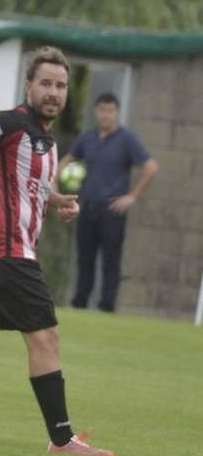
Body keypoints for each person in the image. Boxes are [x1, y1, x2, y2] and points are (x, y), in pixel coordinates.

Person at [0, 46, 115, 456]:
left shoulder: (45, 139)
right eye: (46, 83)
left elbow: (28, 186)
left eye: (61, 85)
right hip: (8, 253)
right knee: (46, 336)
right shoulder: (10, 122)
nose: (54, 92)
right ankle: (62, 440)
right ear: (29, 86)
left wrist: (57, 200)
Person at [60, 92, 159, 313]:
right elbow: (66, 161)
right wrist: (53, 187)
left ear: (117, 112)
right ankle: (79, 304)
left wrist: (131, 197)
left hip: (112, 211)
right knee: (84, 259)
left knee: (110, 261)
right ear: (96, 111)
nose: (106, 115)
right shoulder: (87, 138)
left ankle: (106, 307)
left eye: (110, 110)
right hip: (87, 208)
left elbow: (151, 167)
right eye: (102, 110)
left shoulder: (127, 139)